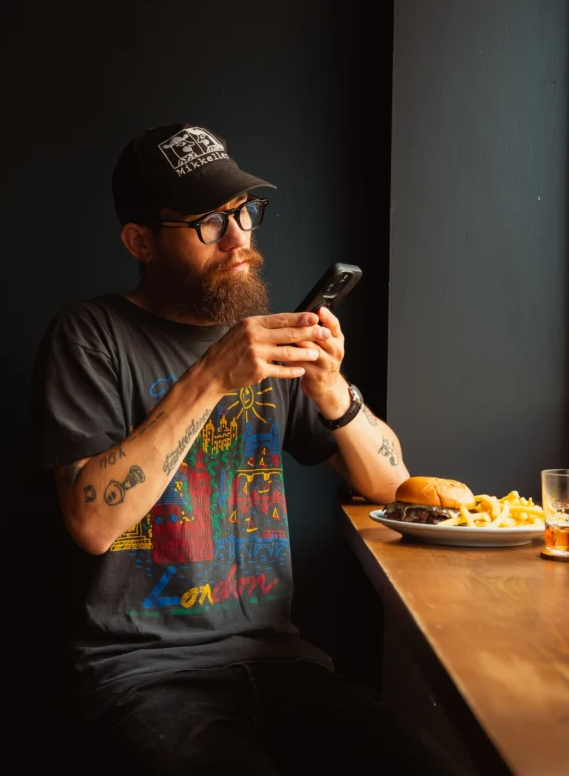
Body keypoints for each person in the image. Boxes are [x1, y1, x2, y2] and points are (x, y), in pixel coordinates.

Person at [30, 122, 469, 775]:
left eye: (244, 213)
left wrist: (329, 387)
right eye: (209, 222)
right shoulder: (90, 335)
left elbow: (392, 484)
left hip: (283, 659)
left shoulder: (259, 340)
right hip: (145, 675)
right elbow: (91, 522)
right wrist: (211, 376)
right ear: (140, 241)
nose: (239, 238)